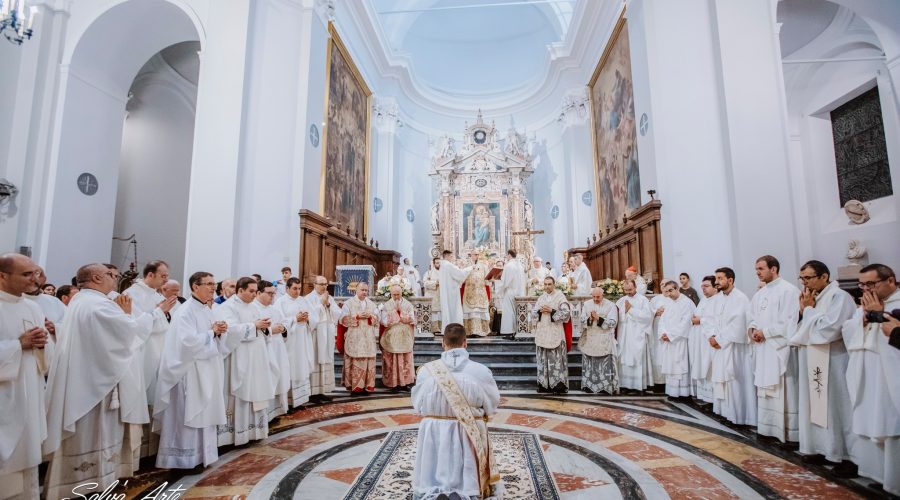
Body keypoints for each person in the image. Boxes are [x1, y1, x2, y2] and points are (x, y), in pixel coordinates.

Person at [43, 263, 155, 498]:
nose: (115, 280)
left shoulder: (82, 301)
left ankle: (90, 480)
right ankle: (88, 483)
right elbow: (126, 334)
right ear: (96, 277)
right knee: (94, 433)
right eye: (111, 275)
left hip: (87, 379)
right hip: (94, 386)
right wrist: (142, 316)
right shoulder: (98, 304)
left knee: (92, 433)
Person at [412, 323, 501, 499]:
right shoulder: (481, 371)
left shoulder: (425, 372)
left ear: (443, 343)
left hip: (433, 431)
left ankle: (432, 484)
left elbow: (418, 406)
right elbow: (491, 406)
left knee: (428, 420)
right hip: (468, 432)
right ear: (465, 343)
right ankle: (467, 487)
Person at [153, 271, 229, 469]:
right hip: (189, 371)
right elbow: (187, 342)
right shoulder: (185, 311)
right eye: (209, 284)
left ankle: (202, 455)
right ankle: (182, 459)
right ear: (195, 286)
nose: (214, 287)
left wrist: (218, 331)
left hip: (205, 368)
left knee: (204, 412)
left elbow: (210, 334)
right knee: (189, 414)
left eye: (214, 283)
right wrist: (213, 332)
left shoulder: (206, 309)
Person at [789, 260, 858, 473]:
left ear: (824, 276)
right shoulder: (811, 298)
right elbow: (800, 327)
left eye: (808, 277)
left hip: (834, 361)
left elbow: (831, 329)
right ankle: (821, 448)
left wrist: (808, 311)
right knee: (817, 407)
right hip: (813, 358)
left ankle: (846, 455)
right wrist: (803, 313)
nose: (804, 283)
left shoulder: (840, 297)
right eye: (802, 278)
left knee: (837, 406)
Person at [842, 263, 900, 493]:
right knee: (870, 418)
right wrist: (863, 320)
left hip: (890, 375)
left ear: (891, 281)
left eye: (870, 284)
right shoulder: (866, 303)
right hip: (867, 371)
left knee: (890, 422)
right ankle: (879, 473)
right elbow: (848, 329)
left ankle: (894, 480)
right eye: (861, 284)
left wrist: (877, 313)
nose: (865, 289)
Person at [0, 253, 49, 499]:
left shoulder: (32, 307)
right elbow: (20, 344)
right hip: (5, 396)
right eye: (26, 274)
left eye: (35, 273)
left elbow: (41, 358)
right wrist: (17, 345)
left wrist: (44, 342)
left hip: (29, 389)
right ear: (2, 276)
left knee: (27, 455)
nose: (35, 278)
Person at [214, 277, 273, 446]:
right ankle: (235, 435)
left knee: (255, 390)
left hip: (256, 358)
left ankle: (253, 431)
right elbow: (229, 331)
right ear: (240, 290)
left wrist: (265, 327)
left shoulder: (253, 306)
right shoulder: (228, 307)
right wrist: (254, 326)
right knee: (240, 394)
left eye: (256, 291)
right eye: (252, 291)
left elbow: (260, 326)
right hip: (239, 357)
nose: (255, 295)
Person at [748, 255, 801, 443]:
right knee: (764, 387)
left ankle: (787, 432)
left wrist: (766, 332)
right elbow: (752, 316)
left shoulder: (789, 291)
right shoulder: (760, 294)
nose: (758, 273)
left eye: (761, 269)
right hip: (763, 348)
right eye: (756, 269)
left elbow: (790, 322)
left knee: (782, 388)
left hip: (779, 348)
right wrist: (753, 329)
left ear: (774, 268)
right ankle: (766, 428)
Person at [122, 261, 178, 431]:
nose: (166, 280)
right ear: (150, 275)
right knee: (143, 394)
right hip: (143, 351)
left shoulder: (158, 296)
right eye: (163, 276)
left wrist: (164, 313)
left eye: (167, 276)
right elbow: (134, 325)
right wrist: (160, 312)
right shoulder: (131, 294)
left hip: (160, 350)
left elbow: (170, 322)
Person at [709, 267, 756, 426]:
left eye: (720, 278)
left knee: (735, 380)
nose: (717, 282)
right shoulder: (718, 298)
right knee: (722, 380)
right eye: (716, 278)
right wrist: (712, 336)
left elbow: (738, 325)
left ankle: (739, 416)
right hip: (720, 346)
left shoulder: (740, 298)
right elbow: (711, 319)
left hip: (734, 348)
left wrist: (719, 340)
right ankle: (725, 412)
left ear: (730, 280)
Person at [253, 280, 291, 419]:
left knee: (279, 378)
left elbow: (285, 322)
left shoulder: (274, 309)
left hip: (278, 350)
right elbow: (251, 329)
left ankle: (275, 412)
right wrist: (270, 330)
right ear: (258, 293)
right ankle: (265, 415)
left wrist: (283, 328)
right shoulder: (253, 309)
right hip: (263, 351)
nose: (272, 297)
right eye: (269, 293)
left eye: (273, 294)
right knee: (267, 379)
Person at [275, 277, 314, 407]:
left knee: (302, 366)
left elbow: (314, 318)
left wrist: (308, 319)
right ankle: (289, 402)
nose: (297, 291)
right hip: (289, 340)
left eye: (299, 289)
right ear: (287, 288)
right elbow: (279, 321)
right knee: (291, 367)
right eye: (294, 289)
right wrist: (295, 319)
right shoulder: (280, 302)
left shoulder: (304, 301)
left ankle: (300, 400)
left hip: (303, 338)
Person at [531, 276, 571, 393]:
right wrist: (539, 311)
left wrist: (552, 311)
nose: (547, 286)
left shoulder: (560, 297)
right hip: (543, 332)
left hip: (555, 332)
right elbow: (533, 314)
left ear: (554, 285)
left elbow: (566, 314)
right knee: (543, 359)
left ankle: (558, 385)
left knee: (556, 360)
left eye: (549, 284)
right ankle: (544, 385)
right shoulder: (541, 298)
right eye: (545, 284)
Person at [339, 282, 379, 393]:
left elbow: (377, 318)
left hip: (368, 339)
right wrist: (356, 316)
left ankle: (366, 386)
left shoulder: (371, 304)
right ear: (356, 290)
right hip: (354, 337)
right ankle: (355, 387)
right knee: (355, 360)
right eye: (362, 290)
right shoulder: (348, 303)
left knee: (368, 361)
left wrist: (371, 316)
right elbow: (342, 319)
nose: (365, 292)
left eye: (366, 290)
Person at [657, 279, 695, 398]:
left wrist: (671, 335)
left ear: (677, 289)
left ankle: (684, 394)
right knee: (671, 367)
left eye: (671, 291)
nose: (669, 294)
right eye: (667, 291)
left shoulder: (687, 303)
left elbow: (686, 323)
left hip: (680, 341)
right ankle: (672, 392)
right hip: (669, 341)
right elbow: (662, 320)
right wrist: (663, 333)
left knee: (680, 367)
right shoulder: (668, 302)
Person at [306, 276, 340, 401]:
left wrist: (329, 304)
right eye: (321, 284)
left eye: (326, 284)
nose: (324, 286)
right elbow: (310, 316)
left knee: (326, 361)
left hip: (327, 333)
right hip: (315, 335)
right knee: (315, 360)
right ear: (314, 284)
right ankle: (312, 392)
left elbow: (338, 313)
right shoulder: (308, 299)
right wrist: (321, 304)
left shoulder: (329, 297)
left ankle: (321, 390)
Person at [616, 279, 654, 392]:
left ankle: (638, 386)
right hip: (624, 334)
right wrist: (624, 313)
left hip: (637, 333)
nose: (628, 292)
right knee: (624, 357)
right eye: (626, 290)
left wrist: (631, 310)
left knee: (636, 358)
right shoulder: (621, 300)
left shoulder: (643, 300)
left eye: (630, 289)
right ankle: (625, 385)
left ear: (635, 287)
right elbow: (617, 316)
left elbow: (647, 317)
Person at [579, 287, 618, 394]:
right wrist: (589, 319)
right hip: (590, 337)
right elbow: (582, 320)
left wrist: (598, 318)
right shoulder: (587, 304)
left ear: (603, 295)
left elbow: (613, 322)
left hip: (604, 337)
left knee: (603, 364)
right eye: (594, 297)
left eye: (598, 297)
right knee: (590, 363)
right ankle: (589, 385)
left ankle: (605, 387)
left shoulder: (611, 305)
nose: (595, 299)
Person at [380, 284, 416, 391]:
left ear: (401, 293)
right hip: (391, 336)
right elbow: (383, 321)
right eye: (394, 294)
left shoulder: (408, 304)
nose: (396, 297)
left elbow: (413, 319)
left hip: (405, 335)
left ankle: (404, 383)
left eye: (398, 294)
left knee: (405, 359)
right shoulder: (386, 305)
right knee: (392, 359)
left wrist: (402, 313)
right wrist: (394, 314)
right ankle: (393, 383)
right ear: (391, 294)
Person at [690, 276, 719, 403]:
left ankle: (713, 399)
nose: (703, 290)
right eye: (702, 287)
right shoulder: (704, 300)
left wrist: (700, 320)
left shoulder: (719, 300)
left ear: (715, 286)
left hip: (710, 341)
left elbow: (716, 320)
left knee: (710, 368)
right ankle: (704, 397)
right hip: (699, 341)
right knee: (702, 366)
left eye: (706, 286)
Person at [495, 250, 525, 337]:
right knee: (517, 312)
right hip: (519, 292)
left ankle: (510, 332)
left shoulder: (509, 266)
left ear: (509, 255)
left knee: (509, 312)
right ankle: (517, 331)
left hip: (510, 291)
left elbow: (505, 282)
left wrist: (496, 281)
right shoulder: (520, 266)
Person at [438, 250, 472, 329]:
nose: (452, 258)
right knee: (453, 309)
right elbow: (460, 274)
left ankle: (447, 327)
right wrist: (470, 268)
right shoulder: (448, 265)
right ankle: (454, 328)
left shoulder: (442, 265)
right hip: (451, 292)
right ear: (446, 256)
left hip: (447, 291)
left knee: (447, 309)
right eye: (451, 256)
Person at [648, 281, 673, 386]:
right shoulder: (655, 299)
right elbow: (648, 313)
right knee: (657, 353)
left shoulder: (674, 299)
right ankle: (658, 381)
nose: (664, 286)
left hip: (670, 330)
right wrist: (655, 312)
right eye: (662, 284)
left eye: (666, 284)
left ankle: (669, 382)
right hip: (656, 328)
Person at [462, 250, 491, 336]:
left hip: (480, 292)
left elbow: (487, 279)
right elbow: (462, 277)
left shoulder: (484, 266)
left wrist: (492, 277)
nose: (476, 256)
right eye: (474, 254)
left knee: (479, 310)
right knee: (470, 311)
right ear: (471, 255)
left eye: (477, 254)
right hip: (469, 292)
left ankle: (482, 331)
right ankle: (469, 331)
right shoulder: (466, 266)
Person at [423, 258, 442, 334]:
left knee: (440, 312)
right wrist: (435, 283)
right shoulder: (428, 273)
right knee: (433, 312)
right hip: (432, 295)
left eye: (439, 263)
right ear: (434, 264)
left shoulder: (443, 273)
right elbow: (425, 283)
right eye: (437, 263)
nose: (438, 264)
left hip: (440, 295)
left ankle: (440, 328)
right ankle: (433, 329)